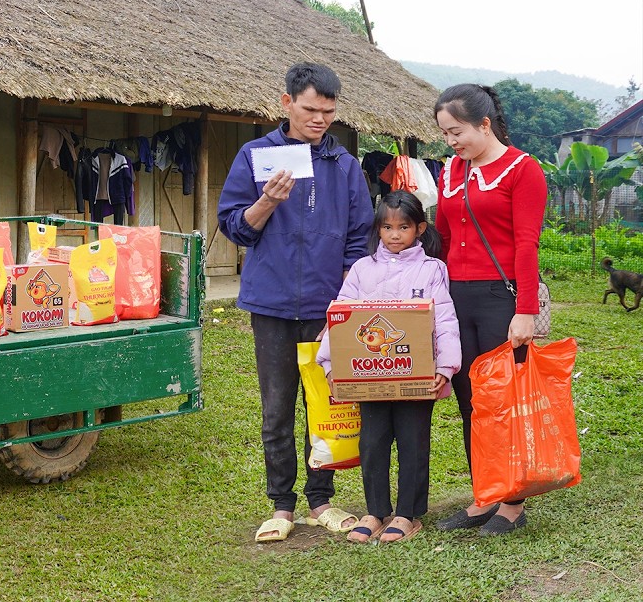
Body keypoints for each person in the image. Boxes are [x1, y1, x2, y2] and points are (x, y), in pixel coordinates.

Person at [217, 62, 373, 542]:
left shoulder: (345, 166)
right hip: (272, 303)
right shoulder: (255, 155)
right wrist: (266, 202)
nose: (320, 119)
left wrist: (346, 298)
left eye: (328, 112)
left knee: (324, 404)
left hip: (329, 307)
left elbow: (359, 237)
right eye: (310, 110)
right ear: (286, 104)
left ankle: (321, 499)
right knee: (277, 406)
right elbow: (234, 226)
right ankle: (282, 505)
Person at [432, 83, 547, 536]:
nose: (451, 142)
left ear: (484, 124)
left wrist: (526, 309)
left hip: (502, 298)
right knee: (469, 400)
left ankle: (513, 503)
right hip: (455, 298)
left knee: (504, 400)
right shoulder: (450, 172)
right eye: (444, 134)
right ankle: (485, 494)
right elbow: (440, 236)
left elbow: (526, 244)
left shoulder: (522, 170)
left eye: (457, 131)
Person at [315, 190, 461, 543]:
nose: (394, 235)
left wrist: (446, 365)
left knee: (413, 442)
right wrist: (330, 363)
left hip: (417, 377)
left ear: (420, 229)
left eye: (403, 227)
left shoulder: (431, 270)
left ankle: (408, 514)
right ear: (378, 230)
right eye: (387, 227)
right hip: (370, 378)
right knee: (372, 441)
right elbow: (342, 317)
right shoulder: (363, 270)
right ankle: (376, 510)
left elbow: (444, 318)